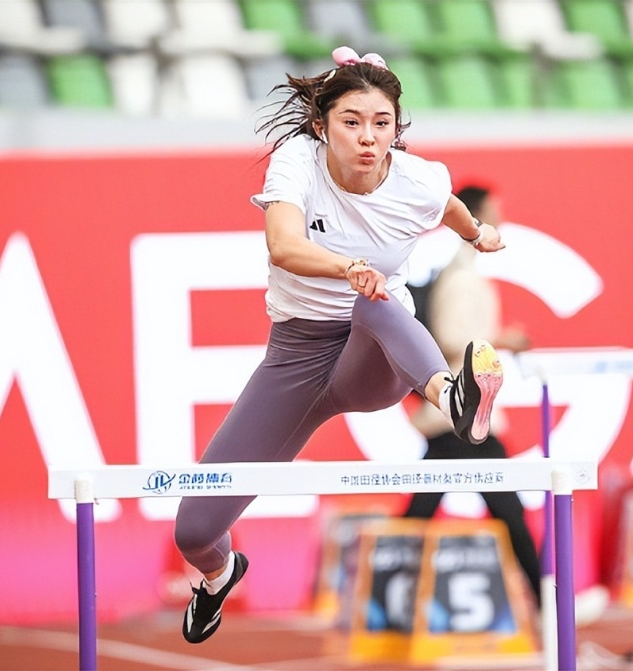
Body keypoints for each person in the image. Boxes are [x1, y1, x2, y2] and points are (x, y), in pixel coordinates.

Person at [174, 46, 508, 644]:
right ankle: (219, 577)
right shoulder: (297, 161)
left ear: (396, 130)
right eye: (351, 122)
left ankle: (449, 396)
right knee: (194, 529)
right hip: (295, 359)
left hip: (372, 355)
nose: (366, 139)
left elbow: (448, 207)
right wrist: (344, 265)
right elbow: (281, 244)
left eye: (381, 124)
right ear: (323, 124)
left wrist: (478, 232)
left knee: (375, 302)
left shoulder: (417, 179)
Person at [403, 184, 543, 609]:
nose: (499, 220)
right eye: (492, 213)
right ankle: (548, 602)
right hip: (461, 414)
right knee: (508, 513)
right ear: (473, 219)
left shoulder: (461, 272)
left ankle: (380, 596)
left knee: (425, 513)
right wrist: (502, 339)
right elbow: (451, 337)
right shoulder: (460, 277)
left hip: (459, 414)